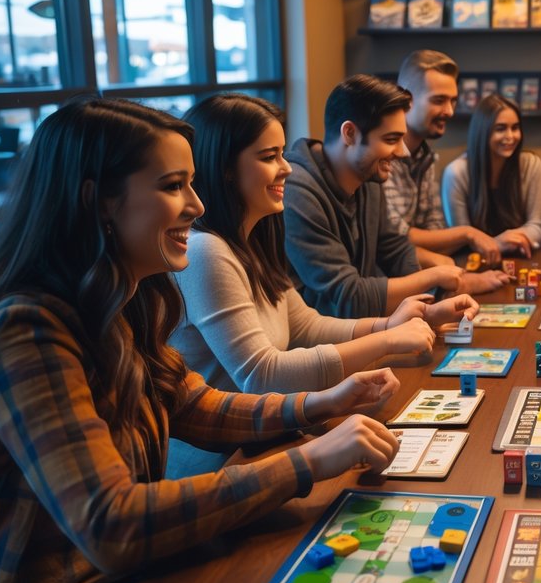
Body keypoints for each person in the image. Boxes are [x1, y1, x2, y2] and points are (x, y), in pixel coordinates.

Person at [0, 97, 401, 583]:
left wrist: (322, 404)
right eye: (172, 186)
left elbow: (193, 404)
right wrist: (306, 461)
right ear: (99, 202)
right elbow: (113, 526)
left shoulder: (126, 296)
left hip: (116, 576)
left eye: (193, 184)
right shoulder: (26, 326)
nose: (196, 205)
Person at [169, 93, 479, 477]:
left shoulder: (253, 237)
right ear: (226, 168)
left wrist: (393, 324)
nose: (287, 169)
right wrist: (385, 340)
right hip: (220, 466)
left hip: (270, 437)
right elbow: (262, 374)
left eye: (283, 154)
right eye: (269, 157)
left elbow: (305, 326)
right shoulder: (206, 252)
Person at [283, 74, 509, 319]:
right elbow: (347, 297)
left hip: (365, 328)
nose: (402, 152)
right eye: (391, 139)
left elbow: (394, 249)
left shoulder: (368, 178)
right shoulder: (297, 193)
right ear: (349, 134)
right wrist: (432, 277)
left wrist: (437, 296)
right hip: (318, 345)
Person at [387, 50, 512, 265]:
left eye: (453, 101)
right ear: (406, 99)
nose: (450, 111)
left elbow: (435, 228)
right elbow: (395, 237)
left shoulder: (426, 158)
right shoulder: (383, 157)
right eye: (439, 100)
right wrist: (468, 233)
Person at [440, 94, 541, 256]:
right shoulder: (456, 173)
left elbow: (537, 225)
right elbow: (460, 237)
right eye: (500, 128)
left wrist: (512, 239)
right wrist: (495, 243)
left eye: (515, 128)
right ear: (483, 132)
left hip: (521, 255)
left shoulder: (531, 165)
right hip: (474, 261)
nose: (510, 136)